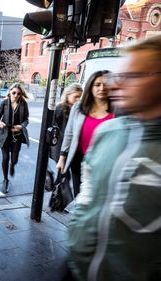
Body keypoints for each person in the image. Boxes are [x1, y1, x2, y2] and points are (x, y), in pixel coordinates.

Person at [67, 34, 161, 281]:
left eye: (131, 76)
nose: (115, 85)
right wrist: (77, 233)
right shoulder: (108, 132)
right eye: (117, 77)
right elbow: (87, 192)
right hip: (77, 269)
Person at [56, 70, 113, 197]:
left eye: (106, 84)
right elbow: (69, 134)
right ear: (90, 87)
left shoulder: (118, 110)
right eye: (97, 84)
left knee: (100, 198)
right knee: (80, 197)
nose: (102, 88)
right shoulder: (78, 107)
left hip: (106, 163)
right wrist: (62, 158)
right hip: (80, 160)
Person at [0, 83, 29, 193]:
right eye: (14, 93)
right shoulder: (4, 103)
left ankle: (13, 165)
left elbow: (26, 120)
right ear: (9, 92)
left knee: (14, 159)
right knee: (5, 157)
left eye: (18, 94)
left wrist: (21, 126)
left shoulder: (23, 104)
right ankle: (5, 179)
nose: (16, 95)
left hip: (17, 136)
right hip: (4, 134)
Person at [49, 83, 83, 162]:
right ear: (68, 95)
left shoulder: (79, 108)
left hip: (73, 145)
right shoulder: (61, 108)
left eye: (80, 97)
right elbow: (54, 126)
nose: (78, 99)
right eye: (76, 96)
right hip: (61, 144)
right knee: (63, 170)